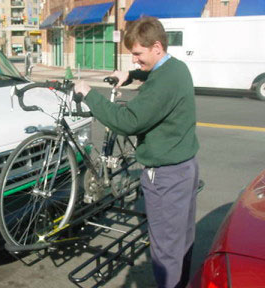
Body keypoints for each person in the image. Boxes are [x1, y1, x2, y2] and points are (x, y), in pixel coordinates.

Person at [74, 17, 200, 288]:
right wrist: (133, 75)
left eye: (138, 54)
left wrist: (89, 95)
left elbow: (129, 121)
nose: (134, 60)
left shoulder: (163, 82)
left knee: (165, 251)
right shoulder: (177, 69)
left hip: (166, 176)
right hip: (185, 168)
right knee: (181, 241)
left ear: (156, 47)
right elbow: (155, 76)